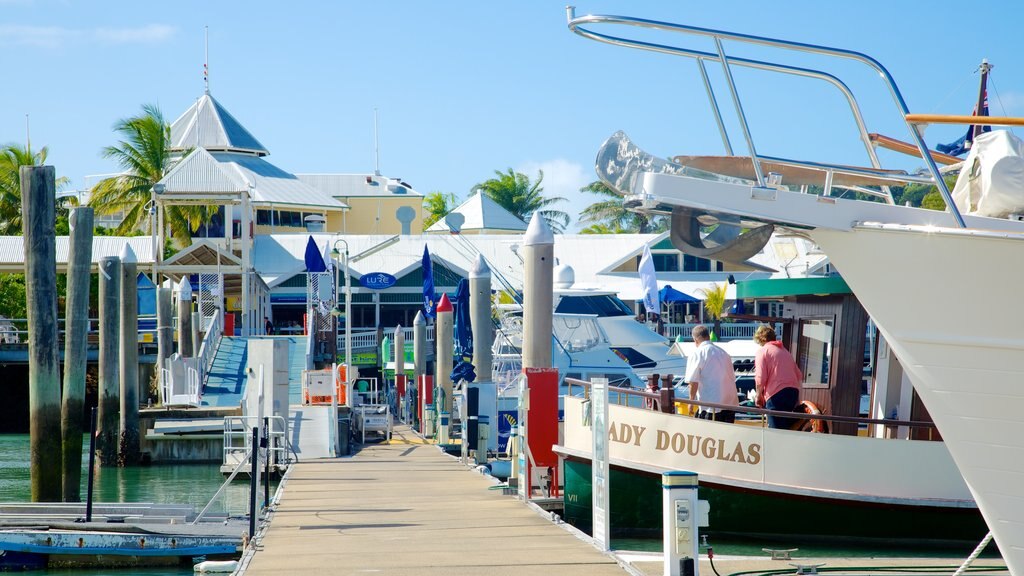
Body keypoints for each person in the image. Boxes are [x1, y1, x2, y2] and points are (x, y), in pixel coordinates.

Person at [683, 325, 739, 423]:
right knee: (726, 436)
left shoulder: (697, 353)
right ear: (708, 336)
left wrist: (691, 402)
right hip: (730, 403)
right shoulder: (724, 353)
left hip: (711, 404)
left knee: (709, 435)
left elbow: (693, 381)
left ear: (695, 340)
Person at [753, 324, 803, 429]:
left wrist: (758, 396)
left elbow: (761, 377)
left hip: (776, 394)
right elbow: (799, 375)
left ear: (761, 339)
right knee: (786, 428)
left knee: (775, 431)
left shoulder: (763, 352)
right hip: (792, 393)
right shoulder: (785, 352)